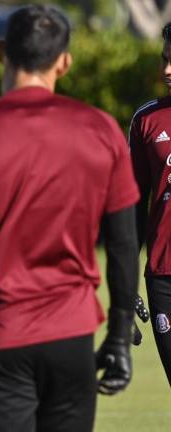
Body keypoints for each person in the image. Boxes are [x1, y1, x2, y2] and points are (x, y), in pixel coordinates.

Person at [0, 5, 139, 432]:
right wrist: (118, 335)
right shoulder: (102, 129)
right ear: (65, 61)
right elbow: (124, 243)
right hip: (72, 336)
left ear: (1, 51)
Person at [129, 21, 171, 387]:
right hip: (163, 276)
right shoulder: (147, 120)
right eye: (165, 59)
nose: (167, 70)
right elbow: (132, 209)